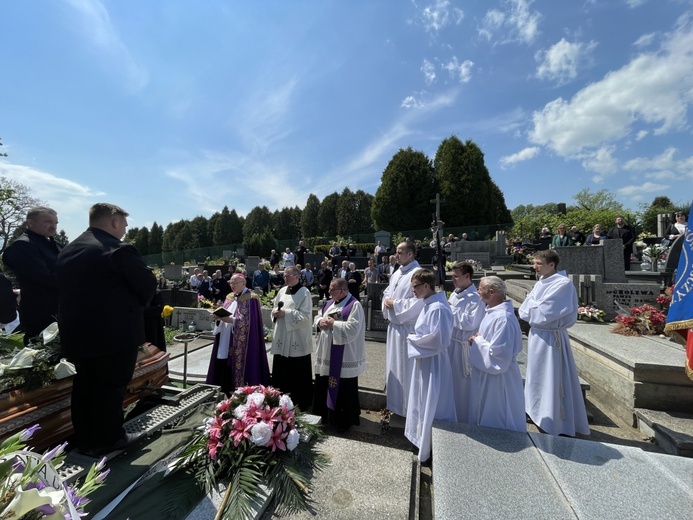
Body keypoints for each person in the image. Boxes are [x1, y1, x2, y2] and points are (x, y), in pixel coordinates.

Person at [56, 203, 157, 455]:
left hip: (77, 333)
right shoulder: (117, 250)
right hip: (114, 333)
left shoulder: (69, 250)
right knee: (111, 388)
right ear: (114, 221)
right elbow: (147, 284)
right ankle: (110, 440)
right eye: (124, 223)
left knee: (84, 387)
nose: (124, 229)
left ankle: (87, 440)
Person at [519, 250, 589, 437]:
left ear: (552, 265)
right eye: (534, 263)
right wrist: (533, 304)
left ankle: (554, 418)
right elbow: (524, 312)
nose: (535, 267)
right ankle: (535, 410)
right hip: (537, 335)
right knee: (536, 374)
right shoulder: (541, 282)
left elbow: (543, 314)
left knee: (551, 376)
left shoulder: (562, 284)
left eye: (539, 263)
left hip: (551, 338)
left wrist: (532, 304)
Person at [405, 269, 456, 462]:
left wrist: (413, 339)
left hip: (434, 363)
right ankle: (420, 439)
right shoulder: (429, 305)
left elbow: (438, 340)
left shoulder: (439, 309)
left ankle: (431, 445)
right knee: (421, 399)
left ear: (427, 285)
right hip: (425, 361)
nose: (413, 291)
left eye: (415, 287)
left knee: (431, 401)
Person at [468, 276, 526, 432]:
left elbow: (499, 355)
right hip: (488, 373)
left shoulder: (503, 318)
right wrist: (478, 340)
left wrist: (478, 341)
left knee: (498, 415)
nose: (478, 291)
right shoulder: (493, 312)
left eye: (480, 288)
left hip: (499, 377)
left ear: (491, 292)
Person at [313, 278, 366, 432]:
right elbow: (318, 315)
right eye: (329, 289)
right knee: (324, 382)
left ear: (343, 290)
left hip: (344, 356)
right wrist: (320, 322)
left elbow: (353, 328)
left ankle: (344, 420)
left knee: (344, 387)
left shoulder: (354, 305)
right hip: (327, 352)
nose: (329, 292)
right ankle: (326, 416)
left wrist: (333, 324)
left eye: (332, 290)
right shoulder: (329, 303)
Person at [2, 206, 62, 344]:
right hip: (40, 310)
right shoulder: (24, 245)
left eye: (55, 223)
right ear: (30, 222)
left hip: (59, 308)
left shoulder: (54, 244)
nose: (53, 226)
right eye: (48, 222)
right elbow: (43, 277)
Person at [206, 274, 270, 393]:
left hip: (243, 343)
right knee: (224, 364)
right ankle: (224, 390)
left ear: (243, 283)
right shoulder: (229, 297)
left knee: (239, 367)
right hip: (225, 336)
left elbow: (251, 323)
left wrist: (232, 321)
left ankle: (241, 392)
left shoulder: (251, 298)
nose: (232, 285)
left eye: (235, 283)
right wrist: (218, 318)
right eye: (231, 283)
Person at [382, 241, 424, 416]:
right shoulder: (398, 272)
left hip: (407, 328)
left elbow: (419, 302)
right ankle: (395, 405)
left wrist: (395, 304)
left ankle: (408, 409)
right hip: (394, 328)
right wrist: (387, 301)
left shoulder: (418, 273)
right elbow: (387, 293)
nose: (396, 255)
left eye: (400, 252)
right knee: (394, 366)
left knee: (406, 370)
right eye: (396, 252)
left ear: (410, 254)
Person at [271, 266, 313, 410]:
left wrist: (286, 313)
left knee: (297, 373)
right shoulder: (282, 291)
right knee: (281, 369)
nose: (285, 278)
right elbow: (275, 307)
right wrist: (275, 313)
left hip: (296, 338)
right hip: (282, 335)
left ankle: (299, 401)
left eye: (288, 275)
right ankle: (279, 401)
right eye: (284, 276)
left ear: (296, 276)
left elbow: (306, 316)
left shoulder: (304, 292)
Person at [448, 262, 484, 423]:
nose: (453, 279)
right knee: (451, 385)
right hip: (451, 344)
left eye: (456, 276)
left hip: (463, 347)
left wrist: (447, 310)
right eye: (452, 276)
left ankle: (463, 420)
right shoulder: (455, 294)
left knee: (462, 387)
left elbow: (469, 322)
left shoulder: (475, 298)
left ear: (467, 276)